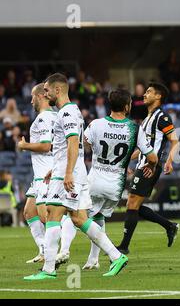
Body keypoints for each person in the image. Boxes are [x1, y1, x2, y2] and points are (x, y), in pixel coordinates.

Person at [24, 73, 128, 281]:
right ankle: (117, 256)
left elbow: (73, 142)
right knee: (80, 219)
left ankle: (49, 269)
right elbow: (69, 145)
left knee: (53, 214)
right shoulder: (69, 111)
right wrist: (56, 168)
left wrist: (67, 171)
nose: (45, 94)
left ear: (58, 90)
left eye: (46, 90)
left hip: (68, 174)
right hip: (69, 170)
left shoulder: (67, 113)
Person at [82, 89, 158, 270]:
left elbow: (84, 143)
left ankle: (60, 254)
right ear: (126, 106)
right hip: (116, 185)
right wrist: (151, 166)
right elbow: (152, 157)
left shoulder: (96, 124)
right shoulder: (134, 128)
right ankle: (93, 259)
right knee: (98, 217)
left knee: (76, 217)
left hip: (95, 179)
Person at [116, 82, 180, 255]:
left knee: (132, 202)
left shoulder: (162, 117)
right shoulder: (146, 119)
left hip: (150, 167)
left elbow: (175, 140)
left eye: (149, 92)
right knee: (134, 204)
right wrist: (125, 160)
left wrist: (169, 161)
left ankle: (124, 246)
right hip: (142, 164)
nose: (144, 94)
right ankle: (169, 226)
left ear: (158, 97)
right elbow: (142, 149)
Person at [17, 83, 57, 264]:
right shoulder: (53, 116)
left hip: (45, 174)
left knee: (46, 216)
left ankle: (55, 252)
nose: (31, 100)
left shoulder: (43, 118)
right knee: (29, 211)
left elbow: (45, 145)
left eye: (33, 96)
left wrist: (25, 146)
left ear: (41, 96)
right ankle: (43, 249)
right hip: (42, 173)